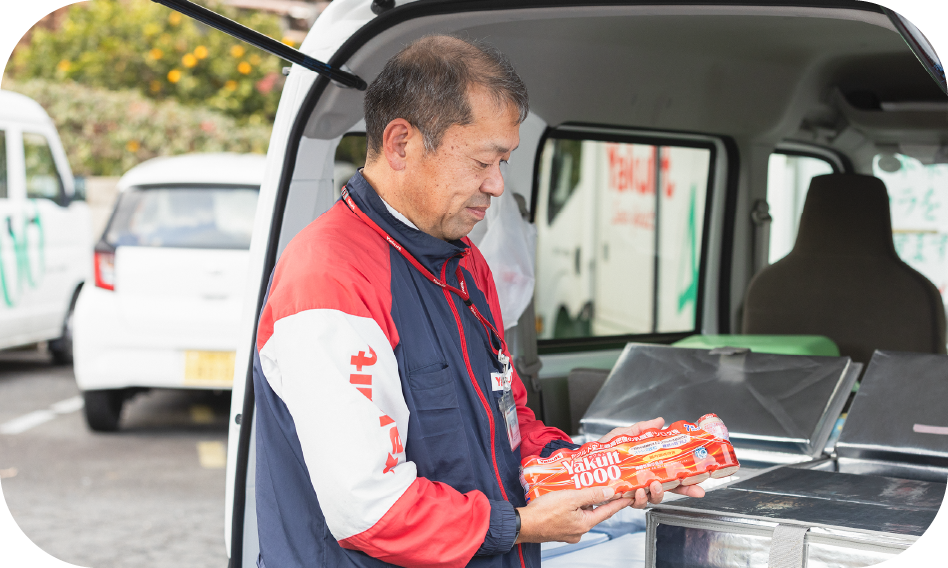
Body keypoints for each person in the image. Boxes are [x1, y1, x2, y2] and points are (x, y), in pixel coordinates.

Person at [251, 35, 704, 568]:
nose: (496, 185)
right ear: (401, 144)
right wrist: (522, 525)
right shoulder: (329, 280)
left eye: (505, 161)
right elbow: (368, 510)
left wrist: (603, 464)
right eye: (483, 161)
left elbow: (508, 429)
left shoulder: (464, 264)